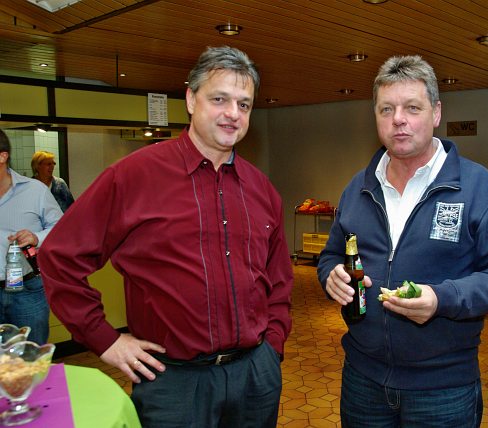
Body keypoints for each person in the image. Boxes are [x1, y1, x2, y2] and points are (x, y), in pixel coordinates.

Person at [39, 46, 294, 428]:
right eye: (219, 99)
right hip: (174, 383)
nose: (233, 113)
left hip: (255, 377)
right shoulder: (133, 176)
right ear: (191, 99)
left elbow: (279, 279)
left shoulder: (262, 189)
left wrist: (272, 344)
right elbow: (59, 256)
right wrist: (105, 339)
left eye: (244, 104)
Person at [317, 55, 488, 427]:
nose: (398, 119)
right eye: (387, 109)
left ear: (436, 113)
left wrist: (442, 298)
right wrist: (330, 275)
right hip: (362, 380)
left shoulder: (479, 187)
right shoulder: (358, 188)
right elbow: (331, 254)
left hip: (443, 388)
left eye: (412, 108)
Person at [0, 130, 63, 345]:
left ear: (2, 156)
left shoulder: (35, 191)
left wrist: (37, 237)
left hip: (27, 292)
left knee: (31, 356)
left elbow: (61, 229)